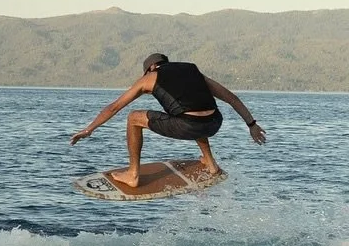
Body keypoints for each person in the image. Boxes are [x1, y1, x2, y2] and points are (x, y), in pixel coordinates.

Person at [70, 52, 267, 187]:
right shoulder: (193, 70)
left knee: (133, 118)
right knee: (194, 109)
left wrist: (90, 129)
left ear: (151, 68)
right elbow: (231, 98)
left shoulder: (150, 77)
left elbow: (114, 107)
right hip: (214, 123)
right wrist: (252, 124)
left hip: (189, 126)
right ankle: (210, 163)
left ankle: (133, 174)